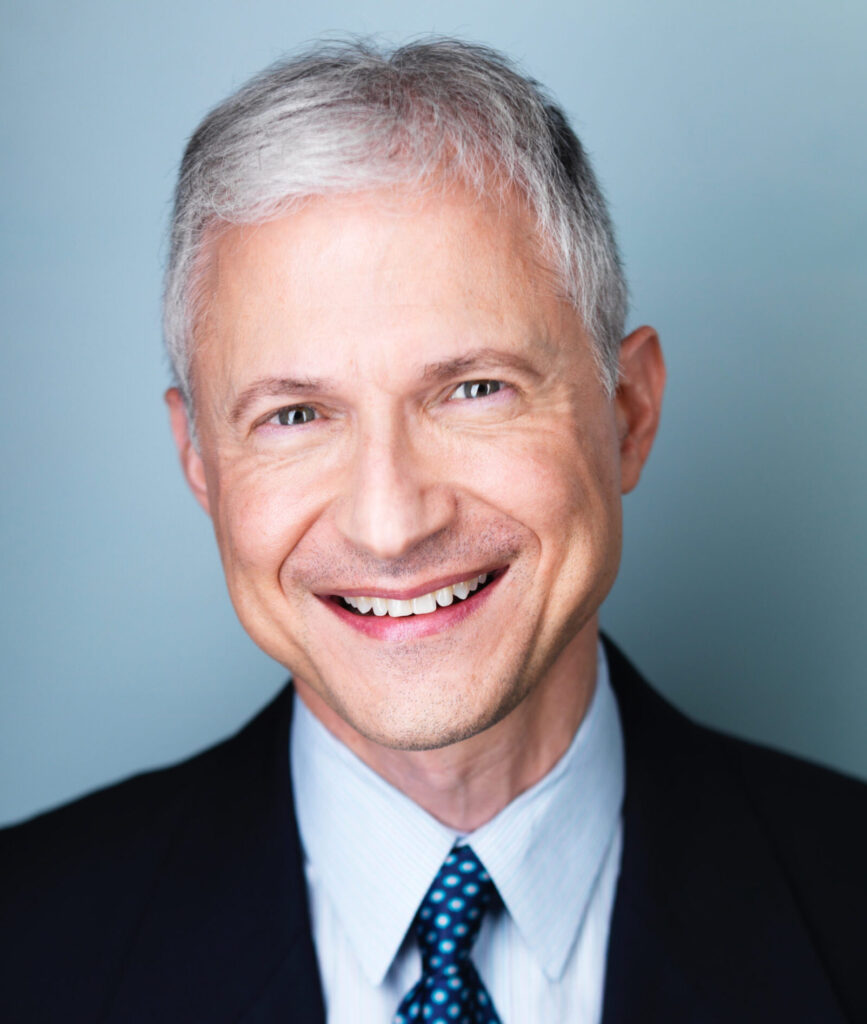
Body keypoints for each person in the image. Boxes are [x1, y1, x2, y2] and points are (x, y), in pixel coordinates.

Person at [2, 38, 865, 1024]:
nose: (390, 522)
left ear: (628, 412)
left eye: (474, 390)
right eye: (295, 415)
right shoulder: (26, 946)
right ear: (199, 461)